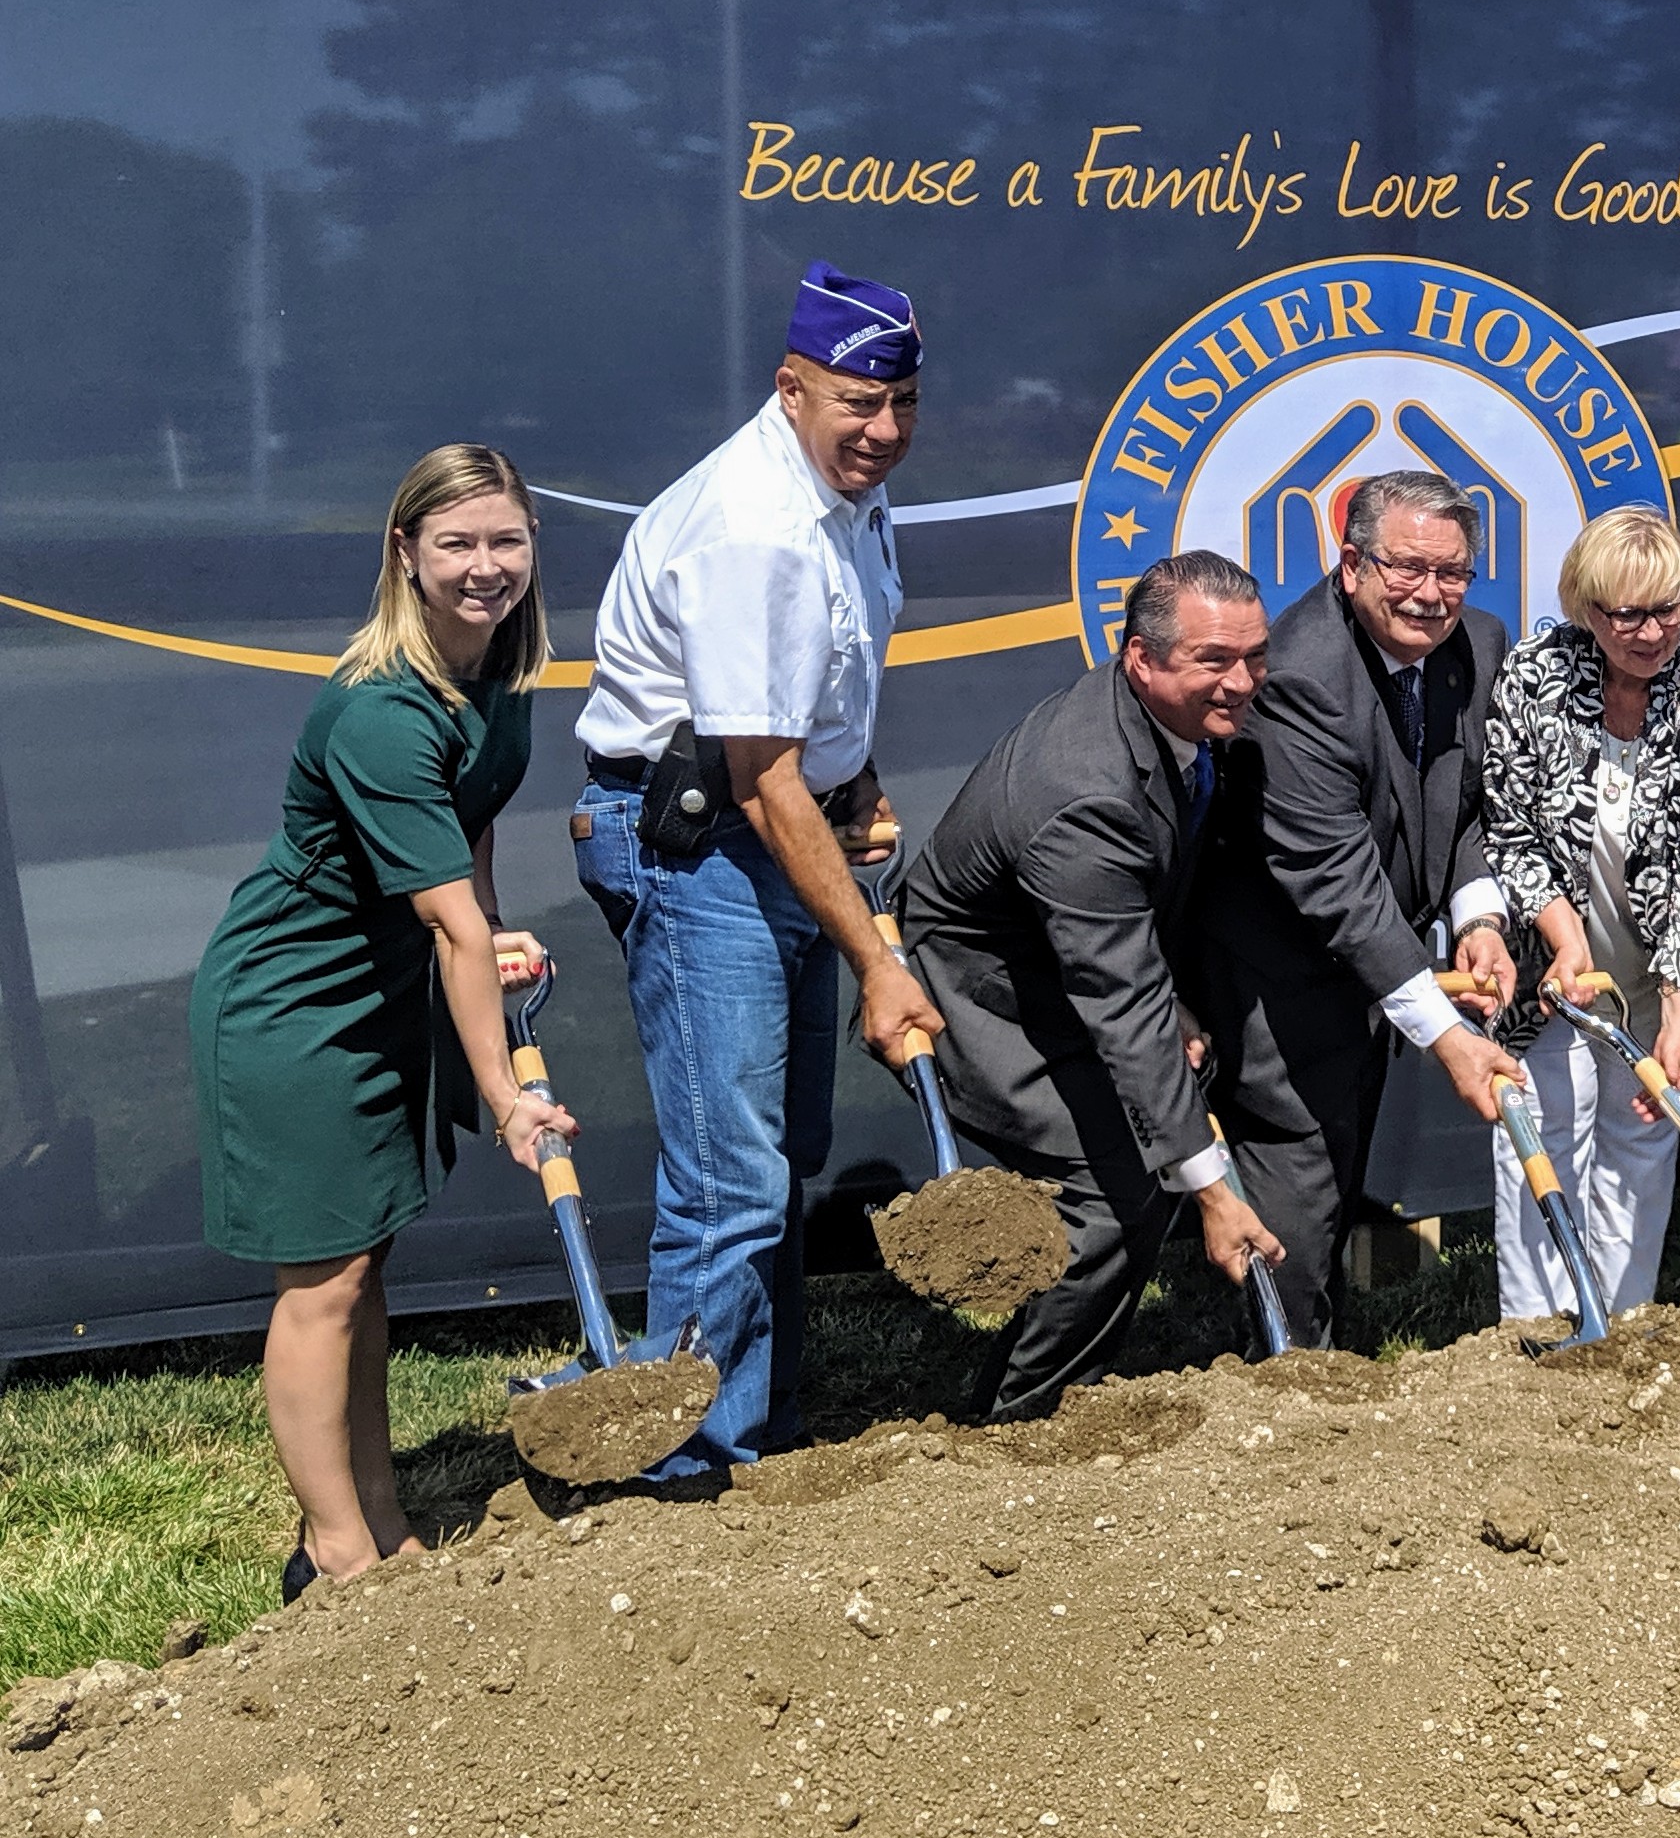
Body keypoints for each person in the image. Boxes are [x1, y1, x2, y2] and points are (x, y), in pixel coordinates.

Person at [571, 260, 947, 1476]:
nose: (883, 430)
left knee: (778, 1162)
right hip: (696, 842)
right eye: (856, 403)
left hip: (771, 818)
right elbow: (760, 777)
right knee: (731, 1176)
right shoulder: (755, 526)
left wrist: (860, 770)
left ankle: (760, 1440)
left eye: (902, 404)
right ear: (791, 388)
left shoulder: (841, 492)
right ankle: (684, 1470)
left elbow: (809, 701)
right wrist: (881, 962)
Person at [191, 446, 563, 1597]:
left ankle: (381, 1518)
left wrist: (496, 929)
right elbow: (450, 925)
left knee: (367, 1262)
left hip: (388, 989)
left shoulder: (498, 677)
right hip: (296, 1007)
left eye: (505, 540)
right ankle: (332, 1556)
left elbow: (472, 845)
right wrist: (504, 1094)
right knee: (323, 1285)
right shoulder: (381, 715)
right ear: (403, 552)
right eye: (456, 543)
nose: (484, 567)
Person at [901, 551, 1286, 1417]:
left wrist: (1167, 994)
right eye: (1214, 661)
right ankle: (1019, 1422)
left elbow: (1122, 941)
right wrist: (1217, 1195)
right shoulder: (1084, 788)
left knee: (1139, 1173)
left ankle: (1059, 1391)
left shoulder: (1170, 725)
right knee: (1108, 1194)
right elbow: (1120, 1003)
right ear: (1141, 660)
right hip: (982, 993)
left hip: (1072, 957)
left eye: (1255, 655)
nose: (1243, 681)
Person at [1196, 472, 1530, 1347]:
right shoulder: (1299, 672)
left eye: (1452, 571)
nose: (1431, 593)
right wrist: (1450, 1036)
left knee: (1336, 1182)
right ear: (1352, 566)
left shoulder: (1480, 645)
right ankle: (1285, 1393)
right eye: (1408, 567)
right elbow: (1337, 883)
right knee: (1298, 1200)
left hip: (1377, 976)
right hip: (1280, 976)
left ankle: (1309, 1368)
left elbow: (1462, 809)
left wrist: (1482, 920)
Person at [1478, 509, 1680, 1321]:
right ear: (1585, 607)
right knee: (1543, 1123)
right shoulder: (1534, 678)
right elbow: (1513, 832)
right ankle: (1534, 1332)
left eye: (1668, 607)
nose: (1650, 631)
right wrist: (1563, 944)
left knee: (1643, 1134)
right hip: (1549, 965)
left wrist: (1678, 1016)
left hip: (1657, 971)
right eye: (1625, 613)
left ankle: (1621, 1327)